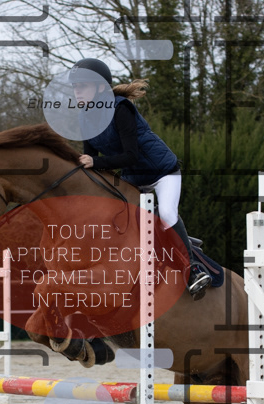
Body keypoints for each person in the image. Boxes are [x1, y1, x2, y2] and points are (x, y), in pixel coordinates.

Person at [69, 57, 211, 297]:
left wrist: (95, 162)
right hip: (133, 176)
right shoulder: (84, 117)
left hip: (162, 172)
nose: (77, 91)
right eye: (75, 86)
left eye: (83, 85)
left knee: (166, 213)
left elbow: (130, 155)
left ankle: (194, 270)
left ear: (101, 87)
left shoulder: (120, 108)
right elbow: (91, 160)